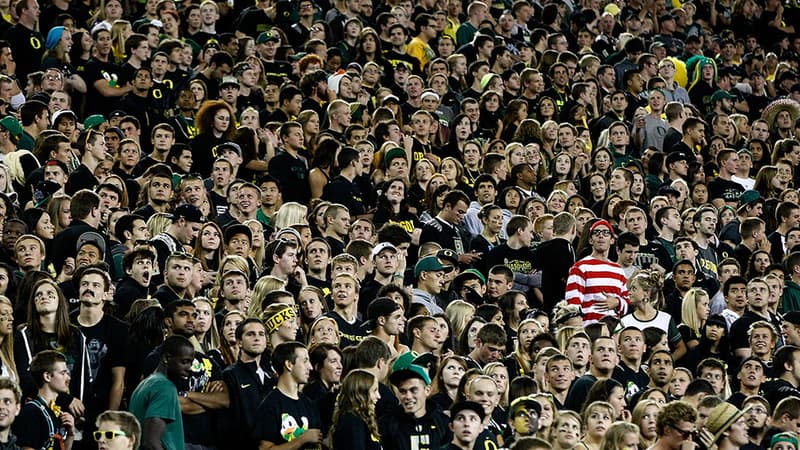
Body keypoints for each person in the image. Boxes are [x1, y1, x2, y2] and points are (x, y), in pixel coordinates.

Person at [252, 342, 323, 449]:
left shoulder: (309, 404)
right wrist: (302, 439)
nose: (311, 367)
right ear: (289, 365)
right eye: (305, 361)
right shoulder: (270, 406)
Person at [129, 335, 193, 450]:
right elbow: (151, 443)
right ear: (167, 358)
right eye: (184, 362)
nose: (189, 368)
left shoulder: (145, 383)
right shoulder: (165, 387)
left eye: (190, 363)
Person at [565, 219, 630, 325]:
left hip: (613, 331)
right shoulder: (580, 267)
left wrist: (617, 302)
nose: (601, 236)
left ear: (612, 240)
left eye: (605, 233)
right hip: (589, 328)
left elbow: (626, 304)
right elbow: (573, 304)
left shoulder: (618, 270)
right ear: (591, 240)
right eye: (596, 233)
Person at [12, 350, 75, 450]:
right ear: (47, 376)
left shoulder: (56, 412)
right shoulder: (32, 412)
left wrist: (70, 435)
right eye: (63, 373)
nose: (68, 378)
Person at [330, 369, 382, 450]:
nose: (379, 396)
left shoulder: (360, 420)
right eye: (374, 391)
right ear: (360, 394)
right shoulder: (353, 422)